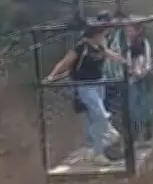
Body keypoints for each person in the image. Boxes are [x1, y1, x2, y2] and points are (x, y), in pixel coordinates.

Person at [44, 25, 129, 165]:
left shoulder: (100, 46)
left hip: (99, 83)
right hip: (85, 86)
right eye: (103, 34)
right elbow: (65, 62)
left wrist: (123, 60)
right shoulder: (81, 47)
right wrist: (52, 76)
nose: (104, 37)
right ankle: (109, 135)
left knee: (93, 119)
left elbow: (108, 53)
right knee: (100, 115)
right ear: (95, 34)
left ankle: (96, 151)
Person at [125, 22, 153, 141]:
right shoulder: (125, 43)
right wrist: (130, 71)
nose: (128, 33)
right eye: (127, 30)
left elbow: (147, 59)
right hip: (129, 80)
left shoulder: (143, 43)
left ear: (138, 31)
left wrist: (144, 71)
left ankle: (147, 128)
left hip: (141, 78)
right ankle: (135, 132)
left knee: (144, 104)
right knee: (132, 106)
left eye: (131, 30)